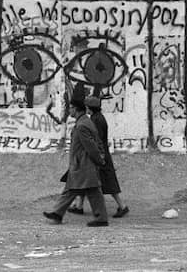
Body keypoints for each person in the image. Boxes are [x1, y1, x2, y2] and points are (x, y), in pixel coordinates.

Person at [43, 97, 109, 227]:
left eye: (71, 108)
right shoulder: (84, 122)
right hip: (81, 163)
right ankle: (58, 213)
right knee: (73, 189)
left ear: (77, 110)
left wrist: (99, 161)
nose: (69, 111)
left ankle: (101, 218)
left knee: (90, 190)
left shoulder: (82, 125)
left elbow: (91, 146)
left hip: (84, 164)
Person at [68, 96, 129, 218]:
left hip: (100, 156)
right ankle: (79, 205)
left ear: (89, 108)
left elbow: (95, 140)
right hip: (101, 154)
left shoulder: (95, 120)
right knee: (89, 180)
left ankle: (122, 206)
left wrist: (95, 155)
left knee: (106, 183)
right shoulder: (99, 118)